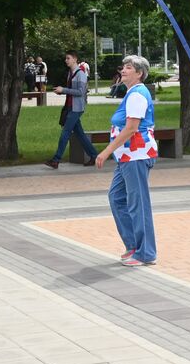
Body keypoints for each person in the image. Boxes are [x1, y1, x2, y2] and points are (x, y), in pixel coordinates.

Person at [96, 55, 157, 266]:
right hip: (127, 157)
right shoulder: (131, 94)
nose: (123, 70)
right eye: (123, 67)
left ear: (139, 73)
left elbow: (132, 128)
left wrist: (105, 152)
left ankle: (145, 253)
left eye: (129, 68)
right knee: (117, 197)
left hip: (136, 156)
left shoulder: (138, 94)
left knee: (137, 203)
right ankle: (133, 244)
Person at [45, 51, 98, 168]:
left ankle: (56, 160)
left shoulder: (81, 74)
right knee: (80, 134)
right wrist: (61, 92)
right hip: (70, 107)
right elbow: (71, 91)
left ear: (75, 59)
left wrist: (63, 90)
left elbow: (80, 92)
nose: (66, 60)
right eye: (66, 58)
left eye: (68, 58)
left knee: (65, 132)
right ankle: (94, 155)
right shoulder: (71, 73)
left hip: (77, 108)